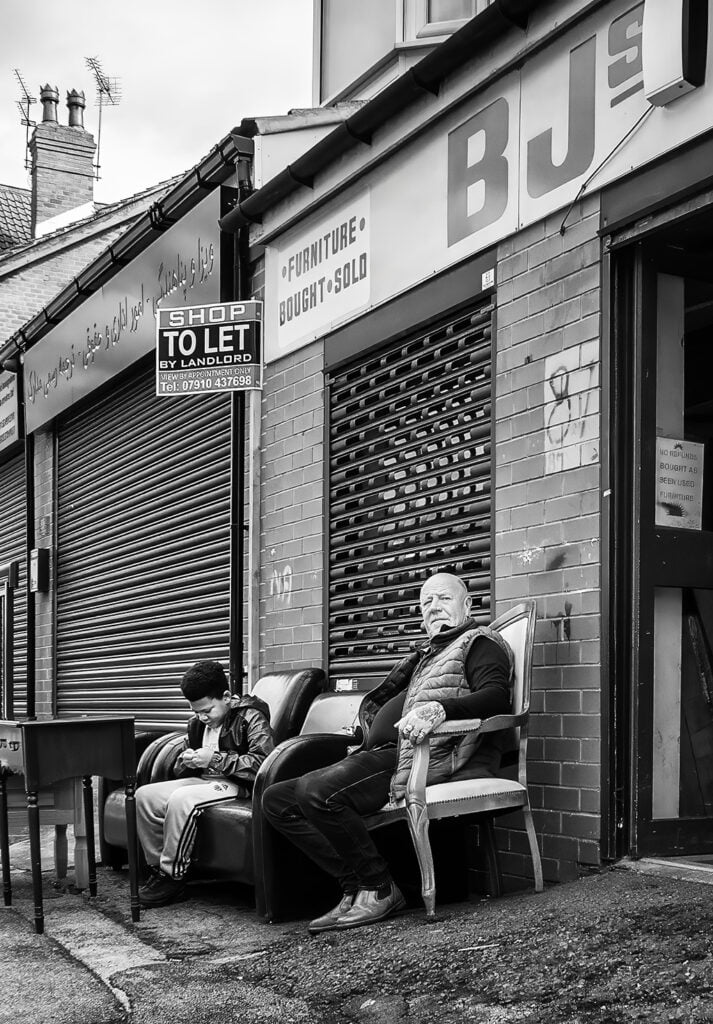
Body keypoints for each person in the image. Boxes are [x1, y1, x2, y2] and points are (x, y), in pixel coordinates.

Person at [262, 572, 513, 934]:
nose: (434, 608)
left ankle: (379, 887)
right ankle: (356, 885)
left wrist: (440, 709)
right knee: (277, 800)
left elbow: (496, 697)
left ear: (467, 604)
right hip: (383, 752)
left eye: (443, 598)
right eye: (426, 603)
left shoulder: (478, 641)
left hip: (416, 756)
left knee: (317, 793)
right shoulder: (429, 654)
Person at [136, 659, 274, 907]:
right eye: (196, 711)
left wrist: (216, 759)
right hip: (204, 780)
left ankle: (174, 876)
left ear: (226, 697)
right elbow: (186, 763)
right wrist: (186, 761)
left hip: (236, 784)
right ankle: (158, 871)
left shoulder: (249, 717)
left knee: (181, 800)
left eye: (208, 710)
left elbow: (263, 763)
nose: (202, 717)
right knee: (145, 796)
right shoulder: (197, 724)